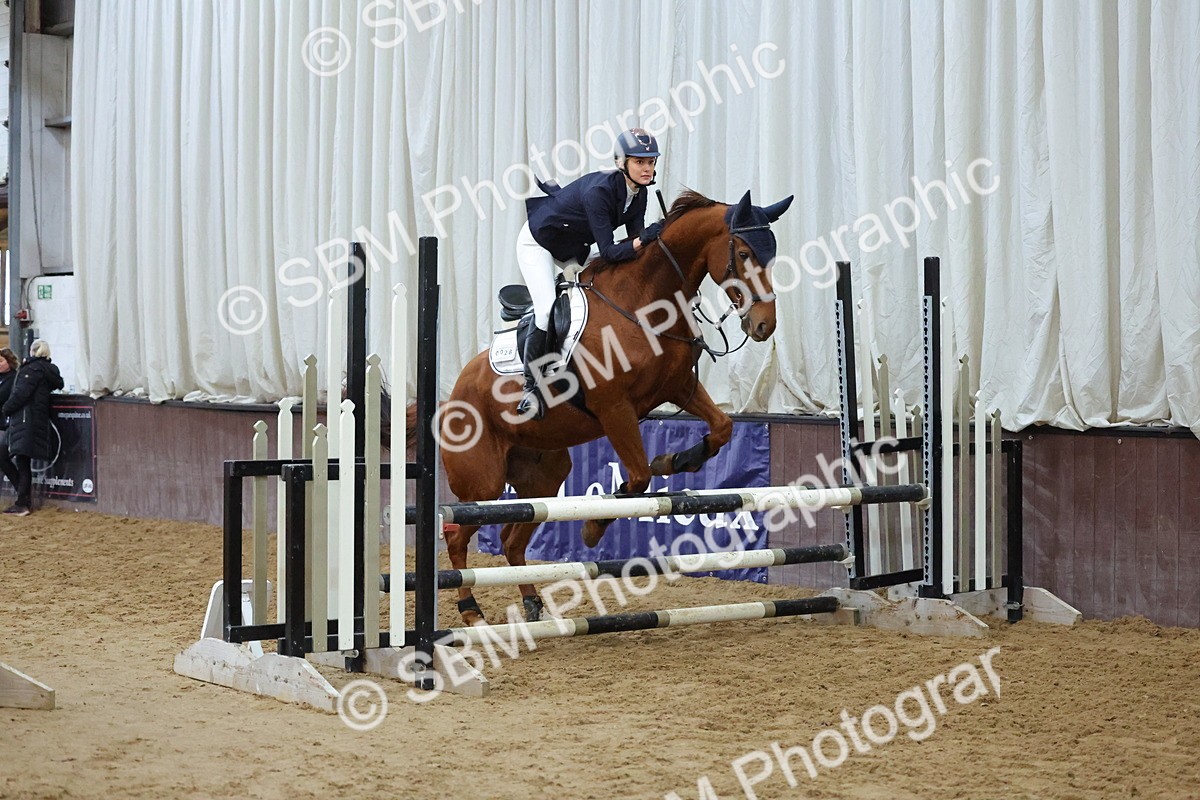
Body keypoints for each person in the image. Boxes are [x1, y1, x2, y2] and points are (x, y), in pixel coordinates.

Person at [516, 127, 665, 418]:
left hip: (574, 247)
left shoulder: (640, 193)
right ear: (622, 163)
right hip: (539, 242)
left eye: (651, 162)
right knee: (546, 309)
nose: (647, 168)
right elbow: (611, 251)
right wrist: (645, 238)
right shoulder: (601, 192)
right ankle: (530, 388)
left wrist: (653, 242)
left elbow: (635, 246)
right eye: (640, 162)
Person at [0, 340, 64, 515]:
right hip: (37, 420)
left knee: (20, 460)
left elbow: (20, 394)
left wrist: (6, 409)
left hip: (24, 419)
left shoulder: (30, 370)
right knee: (19, 460)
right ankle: (23, 498)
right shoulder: (50, 371)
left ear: (32, 351)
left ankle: (23, 502)